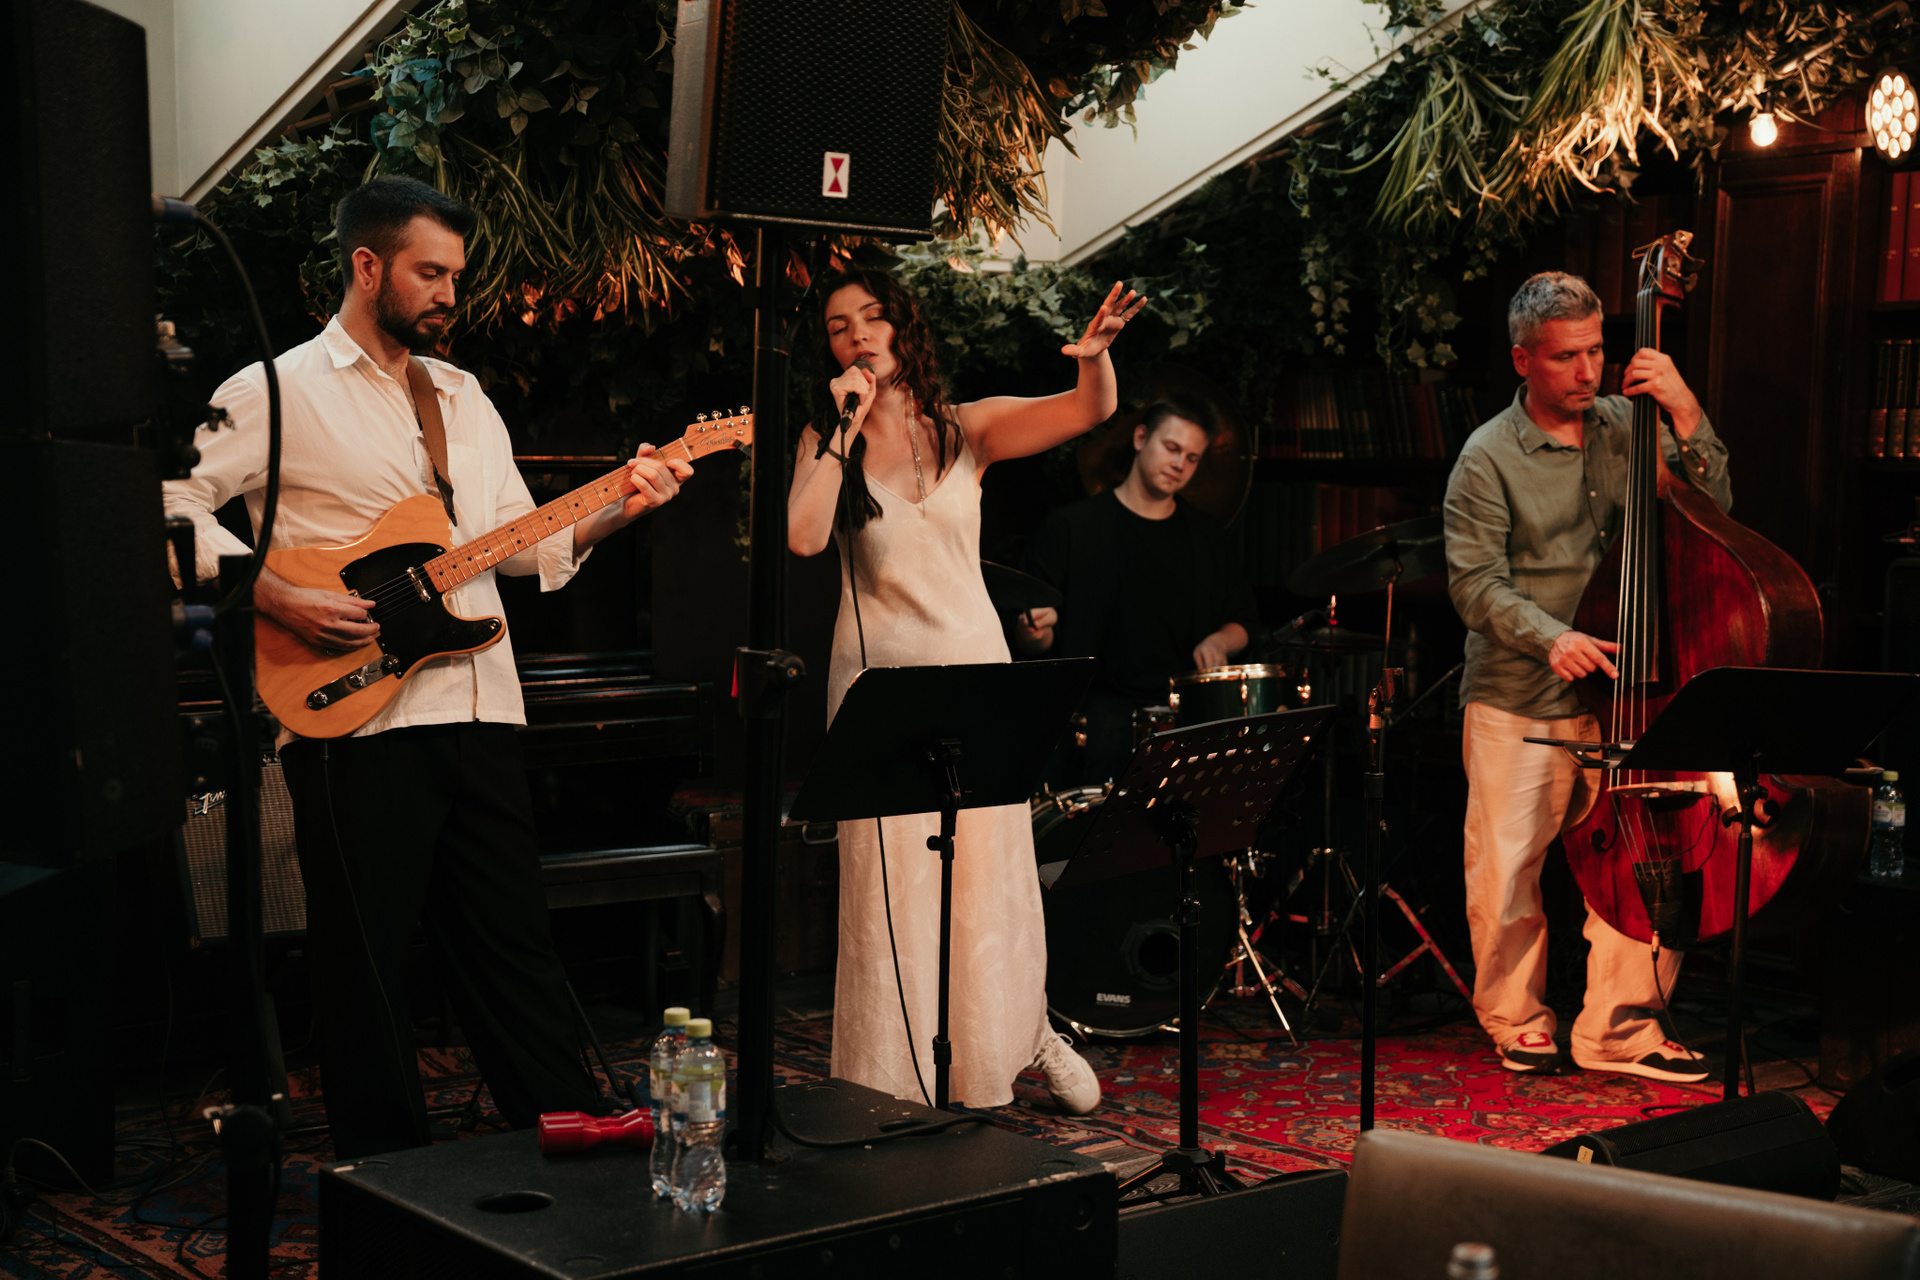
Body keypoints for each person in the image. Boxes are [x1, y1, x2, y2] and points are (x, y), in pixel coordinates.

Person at [162, 175, 692, 1158]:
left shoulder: (462, 396)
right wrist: (274, 592)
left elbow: (521, 545)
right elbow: (168, 500)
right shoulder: (274, 389)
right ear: (367, 266)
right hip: (354, 715)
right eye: (430, 272)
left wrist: (623, 504)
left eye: (456, 275)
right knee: (365, 966)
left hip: (483, 710)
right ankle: (385, 1173)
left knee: (513, 942)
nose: (450, 293)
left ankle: (565, 1134)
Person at [787, 267, 1144, 1114]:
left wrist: (1094, 356)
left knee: (990, 875)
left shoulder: (964, 429)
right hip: (881, 689)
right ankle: (896, 1069)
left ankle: (1021, 1036)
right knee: (896, 886)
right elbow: (803, 539)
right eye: (839, 326)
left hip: (975, 671)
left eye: (873, 317)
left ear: (903, 328)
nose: (858, 334)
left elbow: (1086, 409)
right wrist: (841, 426)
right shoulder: (825, 437)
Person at [1442, 271, 1729, 1083]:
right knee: (1507, 871)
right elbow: (1474, 584)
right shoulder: (1486, 456)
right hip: (1522, 694)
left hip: (1635, 690)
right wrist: (1551, 637)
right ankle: (1516, 1018)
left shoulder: (1632, 426)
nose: (1588, 371)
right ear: (1522, 360)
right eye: (1566, 356)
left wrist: (1685, 412)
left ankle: (1620, 1029)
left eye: (1597, 351)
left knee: (1650, 860)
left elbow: (1714, 515)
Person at [1012, 393, 1259, 783]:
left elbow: (1244, 620)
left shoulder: (1207, 538)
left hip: (1183, 719)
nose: (1179, 464)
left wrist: (1220, 641)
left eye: (1192, 457)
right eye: (1172, 448)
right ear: (1141, 437)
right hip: (1089, 725)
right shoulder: (1072, 528)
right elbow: (1032, 641)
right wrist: (1034, 634)